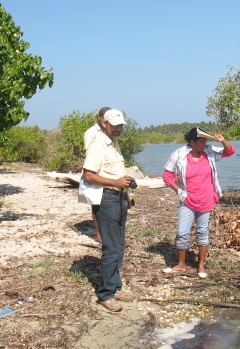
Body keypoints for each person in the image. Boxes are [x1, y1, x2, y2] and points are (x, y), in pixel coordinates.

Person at [162, 127, 235, 278]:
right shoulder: (179, 154)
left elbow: (229, 151)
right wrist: (179, 191)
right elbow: (167, 176)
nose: (204, 145)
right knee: (182, 233)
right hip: (187, 199)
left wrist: (222, 141)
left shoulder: (209, 151)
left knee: (202, 232)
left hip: (206, 198)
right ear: (192, 142)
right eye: (201, 142)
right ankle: (181, 265)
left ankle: (201, 266)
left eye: (205, 142)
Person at [82, 108, 134, 312]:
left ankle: (115, 287)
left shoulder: (115, 144)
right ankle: (106, 294)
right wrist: (115, 182)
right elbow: (89, 176)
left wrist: (127, 193)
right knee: (111, 248)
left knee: (119, 246)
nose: (118, 129)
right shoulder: (97, 145)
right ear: (104, 123)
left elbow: (118, 173)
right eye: (115, 126)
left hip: (119, 198)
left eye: (121, 126)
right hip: (107, 199)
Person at [83, 107, 111, 246]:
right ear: (99, 117)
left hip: (106, 174)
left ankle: (105, 232)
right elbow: (90, 153)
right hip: (95, 173)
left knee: (105, 203)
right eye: (104, 117)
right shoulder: (91, 133)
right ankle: (99, 233)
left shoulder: (110, 132)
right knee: (95, 203)